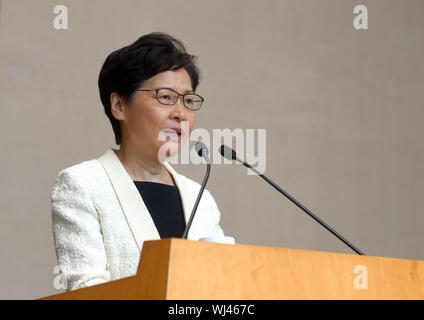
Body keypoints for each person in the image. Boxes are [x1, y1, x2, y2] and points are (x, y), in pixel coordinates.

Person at [50, 32, 226, 291]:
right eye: (165, 97)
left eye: (188, 101)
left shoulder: (200, 197)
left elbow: (224, 285)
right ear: (119, 105)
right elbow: (86, 291)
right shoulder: (82, 185)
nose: (180, 114)